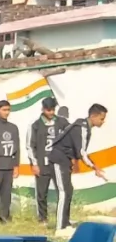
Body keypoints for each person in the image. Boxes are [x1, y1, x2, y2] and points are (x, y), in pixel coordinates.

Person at [51, 102, 109, 233]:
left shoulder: (85, 127)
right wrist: (95, 168)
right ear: (93, 116)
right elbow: (81, 152)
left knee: (68, 190)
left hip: (65, 160)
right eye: (101, 118)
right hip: (58, 159)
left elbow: (75, 149)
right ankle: (60, 228)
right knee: (64, 192)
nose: (103, 122)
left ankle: (65, 222)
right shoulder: (81, 127)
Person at [27, 97, 68, 226]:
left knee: (63, 192)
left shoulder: (62, 122)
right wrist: (34, 164)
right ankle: (42, 218)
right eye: (48, 110)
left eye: (52, 110)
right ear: (43, 109)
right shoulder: (35, 125)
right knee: (41, 192)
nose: (50, 113)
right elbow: (30, 146)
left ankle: (64, 219)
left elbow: (70, 139)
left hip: (58, 163)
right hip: (42, 164)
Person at [0, 100, 20, 224]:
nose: (6, 112)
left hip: (9, 164)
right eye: (4, 110)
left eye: (8, 110)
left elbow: (17, 146)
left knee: (6, 195)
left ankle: (4, 217)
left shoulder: (13, 127)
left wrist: (16, 165)